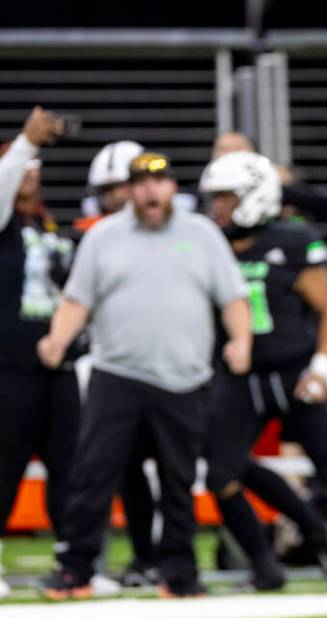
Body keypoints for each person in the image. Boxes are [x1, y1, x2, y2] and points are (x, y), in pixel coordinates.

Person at [39, 151, 253, 599]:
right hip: (117, 372)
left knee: (178, 480)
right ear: (130, 191)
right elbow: (78, 299)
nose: (149, 191)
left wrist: (240, 341)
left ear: (172, 187)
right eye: (139, 183)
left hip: (184, 376)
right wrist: (58, 338)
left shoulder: (202, 234)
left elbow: (233, 297)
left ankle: (179, 574)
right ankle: (75, 569)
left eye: (158, 182)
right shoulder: (104, 238)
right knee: (93, 472)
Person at [200, 151, 327, 590]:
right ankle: (268, 564)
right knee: (222, 474)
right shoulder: (208, 243)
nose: (217, 206)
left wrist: (321, 370)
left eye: (227, 197)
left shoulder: (290, 238)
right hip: (239, 375)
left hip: (293, 372)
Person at [74, 138, 164, 588]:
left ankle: (171, 560)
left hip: (169, 368)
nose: (115, 198)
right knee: (116, 466)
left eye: (121, 186)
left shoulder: (174, 232)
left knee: (174, 467)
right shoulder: (91, 238)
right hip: (111, 367)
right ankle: (132, 557)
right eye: (108, 189)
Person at [0, 107, 76, 600]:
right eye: (18, 167)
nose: (28, 174)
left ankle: (74, 561)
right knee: (4, 463)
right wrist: (24, 144)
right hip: (9, 364)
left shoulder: (49, 227)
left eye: (33, 167)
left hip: (60, 363)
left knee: (71, 466)